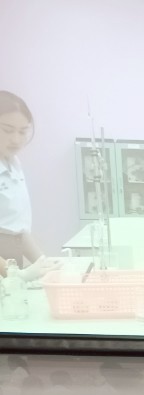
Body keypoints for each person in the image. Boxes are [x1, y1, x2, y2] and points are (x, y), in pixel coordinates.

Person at [0, 92, 52, 275]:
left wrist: (45, 264)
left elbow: (17, 230)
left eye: (22, 132)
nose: (16, 139)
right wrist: (15, 274)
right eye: (7, 130)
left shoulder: (13, 163)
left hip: (11, 261)